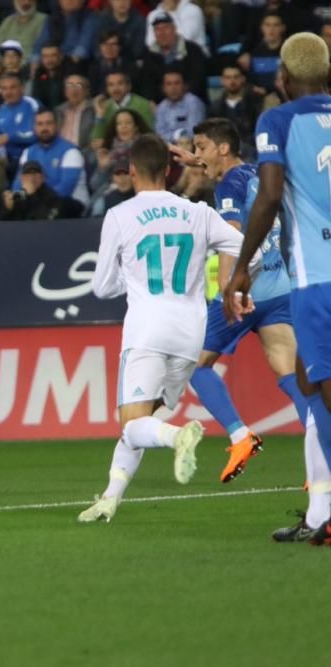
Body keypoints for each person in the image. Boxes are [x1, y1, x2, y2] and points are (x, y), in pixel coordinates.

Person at [79, 134, 257, 523]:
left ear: (130, 171)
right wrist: (239, 288)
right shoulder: (199, 212)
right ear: (168, 170)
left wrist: (135, 277)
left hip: (147, 330)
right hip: (189, 336)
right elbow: (252, 251)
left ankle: (180, 436)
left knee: (133, 425)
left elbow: (102, 285)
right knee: (140, 422)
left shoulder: (120, 215)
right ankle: (110, 498)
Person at [222, 34, 331, 544]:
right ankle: (318, 512)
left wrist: (242, 266)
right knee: (310, 385)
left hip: (317, 277)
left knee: (324, 393)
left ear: (282, 79)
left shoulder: (279, 120)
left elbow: (267, 196)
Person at [168, 118, 307, 484]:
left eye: (201, 147)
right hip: (281, 288)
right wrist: (197, 162)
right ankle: (322, 459)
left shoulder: (228, 185)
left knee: (193, 363)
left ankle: (239, 435)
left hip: (249, 290)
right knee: (291, 375)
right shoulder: (258, 173)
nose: (198, 154)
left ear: (223, 148)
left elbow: (231, 235)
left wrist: (230, 287)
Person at [13, 109, 88, 209]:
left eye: (49, 123)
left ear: (57, 126)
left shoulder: (71, 151)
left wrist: (34, 202)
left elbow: (65, 189)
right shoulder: (28, 152)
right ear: (34, 127)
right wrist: (17, 199)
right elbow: (18, 184)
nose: (44, 128)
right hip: (38, 204)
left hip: (69, 204)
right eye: (40, 124)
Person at [154, 69, 205, 143]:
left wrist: (173, 137)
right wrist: (176, 137)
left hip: (190, 147)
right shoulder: (161, 107)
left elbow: (194, 132)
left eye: (177, 83)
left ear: (185, 86)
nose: (173, 88)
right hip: (168, 148)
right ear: (163, 88)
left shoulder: (194, 103)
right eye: (169, 84)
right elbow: (159, 134)